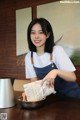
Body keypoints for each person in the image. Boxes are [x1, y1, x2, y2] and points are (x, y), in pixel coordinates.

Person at [23, 17, 80, 101]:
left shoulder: (57, 50)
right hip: (52, 100)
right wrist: (29, 93)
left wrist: (55, 71)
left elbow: (72, 77)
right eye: (33, 33)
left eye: (41, 32)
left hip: (72, 98)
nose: (36, 36)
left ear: (48, 35)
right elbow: (34, 82)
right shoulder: (29, 57)